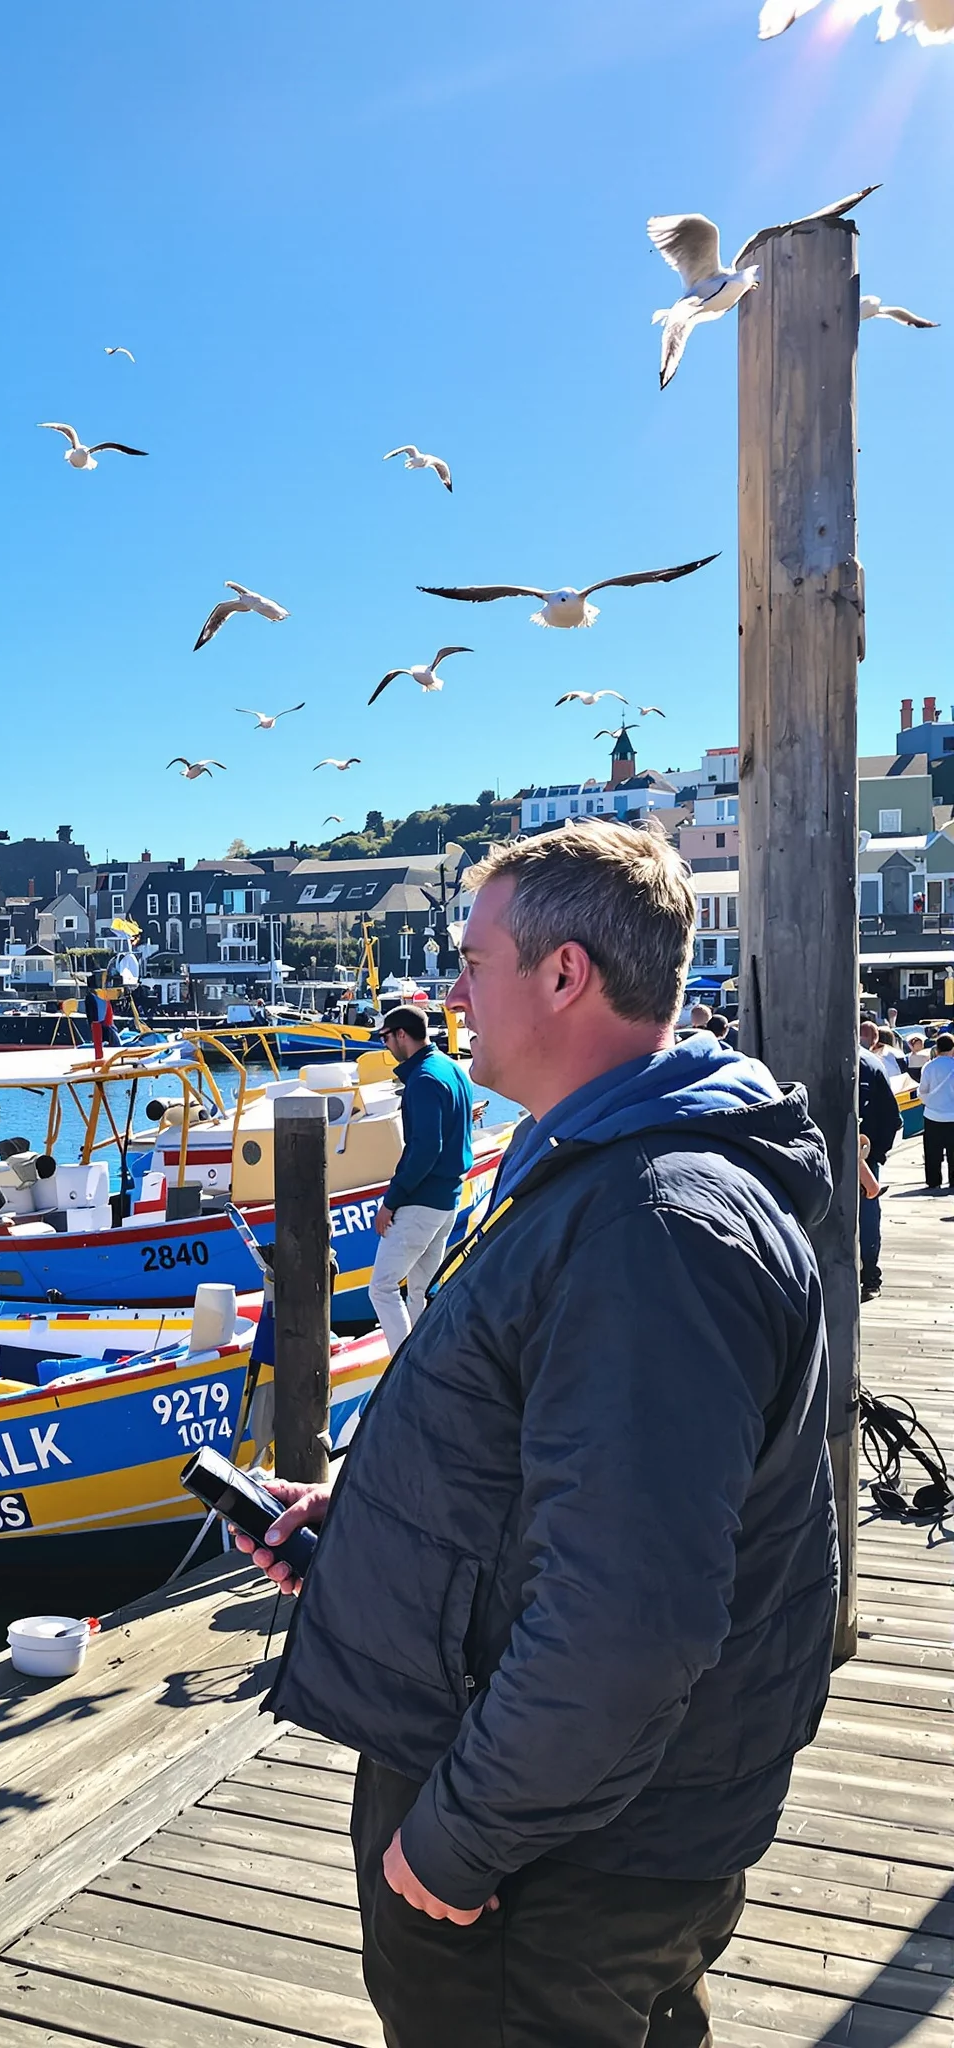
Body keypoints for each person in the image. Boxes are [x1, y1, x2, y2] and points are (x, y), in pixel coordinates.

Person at [238, 822, 837, 2048]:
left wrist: (459, 1839)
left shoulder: (650, 1225)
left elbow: (631, 1614)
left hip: (553, 1866)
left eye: (470, 960)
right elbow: (555, 1475)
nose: (450, 992)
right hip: (585, 1826)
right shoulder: (606, 1175)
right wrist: (358, 1534)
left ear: (562, 975)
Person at [367, 1004, 474, 1355]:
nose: (384, 1045)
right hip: (448, 1202)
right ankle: (429, 1360)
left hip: (421, 1203)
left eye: (386, 1037)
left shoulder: (423, 1080)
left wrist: (391, 1201)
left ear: (401, 1035)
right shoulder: (452, 1069)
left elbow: (425, 1149)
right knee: (420, 1290)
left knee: (381, 1288)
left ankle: (403, 1366)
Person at [860, 1018, 903, 1300]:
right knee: (867, 1217)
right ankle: (870, 1276)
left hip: (803, 1156)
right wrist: (876, 1154)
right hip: (862, 1158)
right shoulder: (872, 1064)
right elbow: (893, 1118)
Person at [920, 1033, 954, 1192]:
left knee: (932, 1151)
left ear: (937, 1048)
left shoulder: (929, 1066)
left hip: (932, 1114)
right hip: (952, 1115)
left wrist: (930, 1103)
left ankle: (933, 1180)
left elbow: (923, 1091)